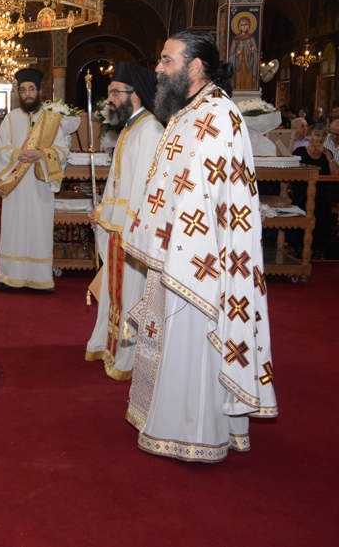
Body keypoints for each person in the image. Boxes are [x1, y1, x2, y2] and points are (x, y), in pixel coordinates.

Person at [122, 30, 277, 462]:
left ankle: (195, 431)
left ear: (194, 66)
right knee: (173, 339)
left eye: (166, 60)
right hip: (175, 251)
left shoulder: (219, 116)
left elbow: (213, 200)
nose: (157, 68)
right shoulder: (186, 114)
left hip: (201, 260)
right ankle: (169, 418)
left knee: (193, 341)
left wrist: (182, 249)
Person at [84, 63, 164, 381]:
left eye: (114, 93)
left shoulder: (151, 131)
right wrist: (101, 211)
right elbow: (117, 184)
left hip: (133, 234)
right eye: (109, 93)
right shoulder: (130, 129)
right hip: (119, 229)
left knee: (131, 294)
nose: (110, 99)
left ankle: (128, 357)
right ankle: (112, 347)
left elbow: (143, 194)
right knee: (118, 292)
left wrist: (110, 216)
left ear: (134, 96)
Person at [0, 68, 73, 292]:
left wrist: (41, 155)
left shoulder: (51, 120)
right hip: (15, 185)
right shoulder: (10, 118)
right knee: (14, 228)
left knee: (39, 228)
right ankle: (10, 277)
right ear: (18, 93)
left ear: (39, 91)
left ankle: (40, 279)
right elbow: (0, 149)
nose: (27, 93)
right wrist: (17, 154)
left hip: (40, 185)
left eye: (31, 89)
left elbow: (62, 151)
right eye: (23, 90)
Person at [291, 125, 338, 258]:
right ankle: (300, 245)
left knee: (323, 203)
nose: (320, 138)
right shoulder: (300, 151)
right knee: (306, 203)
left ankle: (318, 245)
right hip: (303, 191)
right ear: (310, 137)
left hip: (322, 192)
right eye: (317, 135)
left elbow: (335, 175)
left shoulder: (327, 154)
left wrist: (328, 155)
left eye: (323, 136)